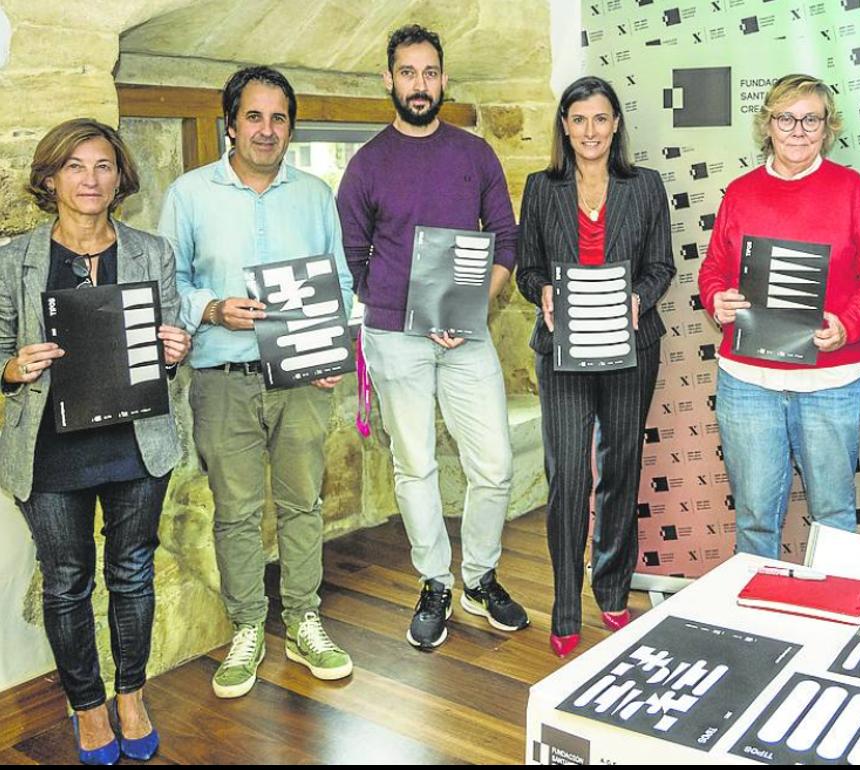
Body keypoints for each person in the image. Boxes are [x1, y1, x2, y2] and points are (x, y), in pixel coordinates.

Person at [0, 118, 192, 764]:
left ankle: (131, 697)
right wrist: (13, 367)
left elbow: (170, 341)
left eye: (103, 165)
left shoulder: (151, 253)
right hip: (52, 452)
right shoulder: (14, 261)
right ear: (50, 179)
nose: (90, 179)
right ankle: (87, 706)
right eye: (75, 166)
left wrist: (176, 349)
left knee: (132, 572)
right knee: (66, 582)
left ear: (119, 178)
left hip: (136, 444)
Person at [160, 66, 355, 697]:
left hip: (301, 378)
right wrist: (214, 308)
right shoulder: (189, 194)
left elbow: (340, 282)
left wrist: (331, 348)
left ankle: (303, 620)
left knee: (303, 503)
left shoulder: (315, 195)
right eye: (254, 116)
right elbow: (168, 284)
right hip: (223, 376)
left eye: (278, 118)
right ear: (230, 124)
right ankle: (247, 627)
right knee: (237, 511)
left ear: (290, 128)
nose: (266, 130)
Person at [337, 24, 529, 652]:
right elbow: (354, 259)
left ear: (444, 80)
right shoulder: (366, 165)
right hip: (395, 339)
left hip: (467, 333)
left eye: (429, 73)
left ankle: (479, 577)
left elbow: (506, 239)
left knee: (494, 465)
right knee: (414, 464)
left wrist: (469, 305)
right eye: (407, 73)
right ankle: (434, 582)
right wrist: (411, 311)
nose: (419, 85)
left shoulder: (475, 154)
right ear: (389, 81)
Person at [696, 74, 860, 559]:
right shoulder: (740, 192)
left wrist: (847, 325)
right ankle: (758, 605)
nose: (798, 131)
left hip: (831, 382)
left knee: (834, 515)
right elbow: (713, 270)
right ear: (768, 125)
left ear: (828, 128)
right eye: (786, 118)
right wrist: (717, 298)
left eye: (811, 120)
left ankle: (832, 601)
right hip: (748, 382)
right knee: (754, 517)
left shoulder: (850, 189)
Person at [515, 76, 675, 657]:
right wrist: (542, 292)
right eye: (579, 119)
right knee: (568, 479)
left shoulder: (645, 185)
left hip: (630, 348)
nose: (590, 130)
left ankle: (611, 590)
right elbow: (527, 268)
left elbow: (662, 265)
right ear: (564, 125)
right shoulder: (540, 188)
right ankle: (564, 605)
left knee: (620, 470)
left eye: (600, 118)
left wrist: (639, 298)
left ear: (615, 125)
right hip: (563, 351)